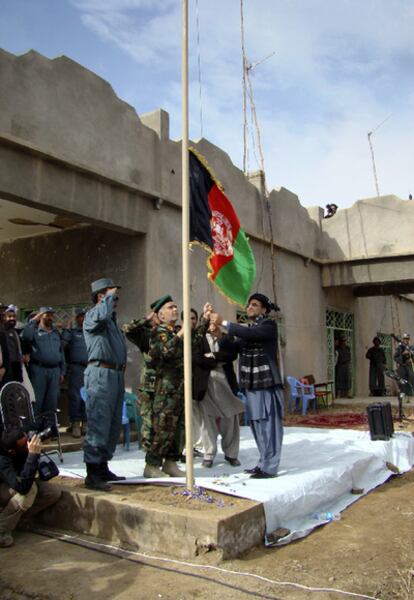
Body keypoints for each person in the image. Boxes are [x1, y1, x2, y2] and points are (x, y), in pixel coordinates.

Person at [210, 293, 283, 479]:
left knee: (269, 426)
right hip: (251, 384)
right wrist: (220, 336)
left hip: (266, 383)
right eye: (249, 304)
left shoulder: (268, 326)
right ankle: (263, 463)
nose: (249, 307)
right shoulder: (249, 329)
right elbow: (234, 348)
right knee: (257, 425)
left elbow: (251, 334)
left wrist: (225, 323)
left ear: (264, 309)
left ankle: (270, 466)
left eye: (255, 304)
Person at [145, 299, 211, 478]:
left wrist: (204, 320)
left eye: (175, 307)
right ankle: (152, 466)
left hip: (181, 389)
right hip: (167, 391)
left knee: (178, 429)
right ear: (161, 314)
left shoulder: (176, 332)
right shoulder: (158, 333)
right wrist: (181, 333)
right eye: (170, 307)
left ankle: (170, 463)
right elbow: (164, 352)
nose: (175, 310)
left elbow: (195, 340)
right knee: (163, 428)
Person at [82, 278, 127, 491]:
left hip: (116, 375)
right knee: (99, 421)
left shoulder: (112, 322)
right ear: (101, 296)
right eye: (112, 296)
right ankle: (92, 472)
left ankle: (103, 467)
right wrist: (107, 299)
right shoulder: (94, 315)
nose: (116, 300)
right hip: (100, 373)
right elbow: (101, 314)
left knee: (112, 424)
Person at [193, 320, 244, 469]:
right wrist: (214, 362)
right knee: (207, 421)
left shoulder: (225, 338)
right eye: (209, 322)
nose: (213, 325)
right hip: (207, 385)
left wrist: (214, 355)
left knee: (230, 418)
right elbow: (197, 359)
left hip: (226, 384)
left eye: (215, 322)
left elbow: (231, 355)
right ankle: (209, 454)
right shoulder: (199, 339)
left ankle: (231, 453)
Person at [0, 428, 62, 548]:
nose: (29, 444)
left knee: (52, 493)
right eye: (24, 445)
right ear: (12, 451)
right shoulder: (3, 460)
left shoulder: (19, 448)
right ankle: (2, 528)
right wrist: (32, 456)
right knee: (29, 491)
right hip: (3, 487)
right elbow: (23, 487)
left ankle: (17, 520)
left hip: (16, 483)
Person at [122, 299, 163, 455]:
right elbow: (127, 329)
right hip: (151, 381)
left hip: (168, 383)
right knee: (149, 419)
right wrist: (145, 320)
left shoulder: (170, 332)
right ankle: (150, 456)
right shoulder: (146, 334)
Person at [21, 308, 65, 414]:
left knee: (52, 401)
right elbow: (25, 336)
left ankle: (48, 428)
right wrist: (33, 320)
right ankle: (35, 428)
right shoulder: (34, 331)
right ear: (41, 316)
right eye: (47, 315)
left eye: (51, 315)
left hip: (55, 371)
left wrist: (62, 371)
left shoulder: (55, 333)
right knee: (37, 400)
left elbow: (61, 352)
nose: (50, 317)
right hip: (39, 370)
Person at [61, 309, 88, 438]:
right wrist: (67, 328)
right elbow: (62, 345)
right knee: (76, 397)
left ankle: (86, 423)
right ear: (77, 319)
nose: (82, 319)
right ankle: (76, 423)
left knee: (88, 397)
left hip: (90, 368)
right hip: (76, 369)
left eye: (84, 316)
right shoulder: (72, 333)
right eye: (80, 317)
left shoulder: (90, 332)